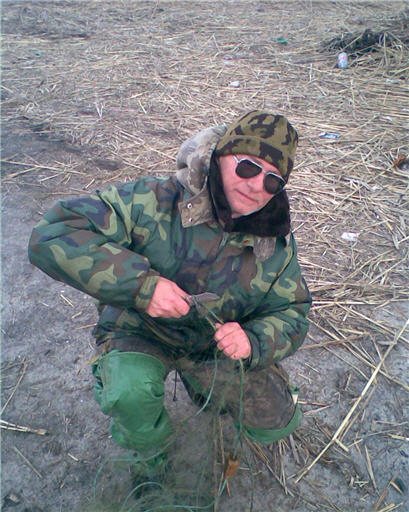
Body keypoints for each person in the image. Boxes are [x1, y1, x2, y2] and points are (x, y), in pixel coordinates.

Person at [28, 110, 312, 483]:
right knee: (130, 394)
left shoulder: (275, 243)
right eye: (248, 167)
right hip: (140, 329)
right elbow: (54, 233)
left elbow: (293, 312)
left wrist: (253, 340)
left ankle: (201, 387)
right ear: (220, 156)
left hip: (211, 347)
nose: (257, 185)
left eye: (273, 180)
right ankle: (150, 458)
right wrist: (141, 287)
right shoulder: (153, 200)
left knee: (278, 419)